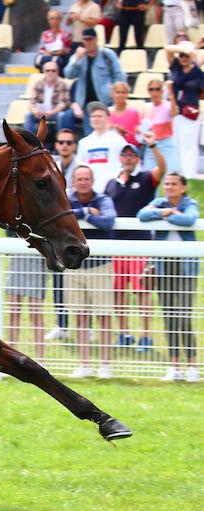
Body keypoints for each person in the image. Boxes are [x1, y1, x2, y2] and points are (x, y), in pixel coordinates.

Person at [104, 134, 165, 352]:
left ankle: (146, 336)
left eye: (132, 155)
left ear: (138, 159)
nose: (128, 158)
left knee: (142, 292)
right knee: (118, 293)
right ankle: (124, 333)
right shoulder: (112, 183)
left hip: (139, 246)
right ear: (120, 158)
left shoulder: (147, 178)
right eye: (125, 154)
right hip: (116, 247)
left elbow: (162, 168)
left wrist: (153, 145)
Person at [137, 172, 199, 382]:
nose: (170, 187)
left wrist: (165, 214)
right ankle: (174, 366)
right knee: (169, 317)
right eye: (167, 184)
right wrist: (166, 211)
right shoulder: (160, 202)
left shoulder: (190, 203)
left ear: (183, 187)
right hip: (163, 268)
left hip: (185, 268)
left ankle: (191, 365)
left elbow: (189, 219)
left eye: (174, 184)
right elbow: (142, 214)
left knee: (183, 317)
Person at [66, 165, 117, 379]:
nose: (83, 182)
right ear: (74, 181)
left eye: (87, 178)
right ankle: (84, 363)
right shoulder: (67, 198)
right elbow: (64, 216)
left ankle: (105, 364)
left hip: (100, 266)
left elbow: (108, 221)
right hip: (74, 267)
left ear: (92, 180)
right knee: (79, 316)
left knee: (104, 316)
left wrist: (83, 215)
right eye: (80, 178)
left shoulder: (103, 199)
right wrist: (86, 212)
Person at [44, 128, 79, 342]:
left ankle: (86, 327)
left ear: (74, 145)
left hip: (72, 230)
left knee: (80, 283)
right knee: (58, 281)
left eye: (68, 142)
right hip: (58, 230)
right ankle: (62, 324)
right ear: (56, 145)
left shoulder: (81, 165)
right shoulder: (51, 165)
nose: (64, 145)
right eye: (61, 142)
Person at [64, 28, 127, 135]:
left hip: (105, 101)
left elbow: (119, 74)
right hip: (86, 104)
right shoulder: (79, 57)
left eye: (90, 39)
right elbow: (68, 74)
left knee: (107, 133)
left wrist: (115, 91)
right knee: (91, 135)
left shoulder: (107, 54)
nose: (88, 42)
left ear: (96, 39)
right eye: (85, 40)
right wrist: (76, 59)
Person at [165, 41, 203, 179]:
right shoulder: (175, 67)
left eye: (186, 55)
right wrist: (185, 48)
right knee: (176, 145)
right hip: (175, 112)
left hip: (190, 113)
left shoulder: (197, 73)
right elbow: (167, 48)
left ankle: (188, 176)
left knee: (189, 147)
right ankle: (177, 175)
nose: (183, 58)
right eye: (181, 55)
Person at [76, 101, 128, 192]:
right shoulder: (84, 143)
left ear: (108, 118)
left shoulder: (118, 140)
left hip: (112, 189)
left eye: (100, 116)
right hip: (90, 191)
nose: (96, 119)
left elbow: (126, 164)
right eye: (93, 116)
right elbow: (80, 166)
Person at [141, 79, 181, 173]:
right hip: (151, 146)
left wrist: (170, 92)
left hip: (166, 145)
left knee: (171, 175)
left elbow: (174, 113)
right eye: (151, 89)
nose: (154, 92)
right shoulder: (146, 107)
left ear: (162, 91)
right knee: (149, 178)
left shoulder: (168, 105)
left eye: (157, 89)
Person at [25, 61, 73, 136]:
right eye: (48, 70)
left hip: (55, 112)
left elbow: (63, 103)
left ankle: (59, 140)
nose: (50, 73)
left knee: (62, 115)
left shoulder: (62, 83)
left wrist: (52, 112)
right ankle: (29, 142)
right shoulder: (38, 83)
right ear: (44, 72)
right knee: (28, 115)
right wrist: (35, 111)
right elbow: (32, 102)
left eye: (53, 70)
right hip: (40, 113)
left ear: (57, 72)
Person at [36, 10, 72, 74]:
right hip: (47, 60)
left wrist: (55, 53)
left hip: (59, 61)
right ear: (48, 20)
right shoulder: (45, 34)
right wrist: (46, 52)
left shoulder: (66, 34)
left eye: (57, 18)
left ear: (60, 20)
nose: (54, 21)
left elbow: (67, 50)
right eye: (52, 19)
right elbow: (41, 49)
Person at [108, 81, 140, 147]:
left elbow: (137, 138)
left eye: (123, 92)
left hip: (129, 148)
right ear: (112, 94)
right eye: (117, 92)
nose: (120, 95)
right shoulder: (107, 113)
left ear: (127, 94)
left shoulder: (133, 112)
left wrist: (124, 132)